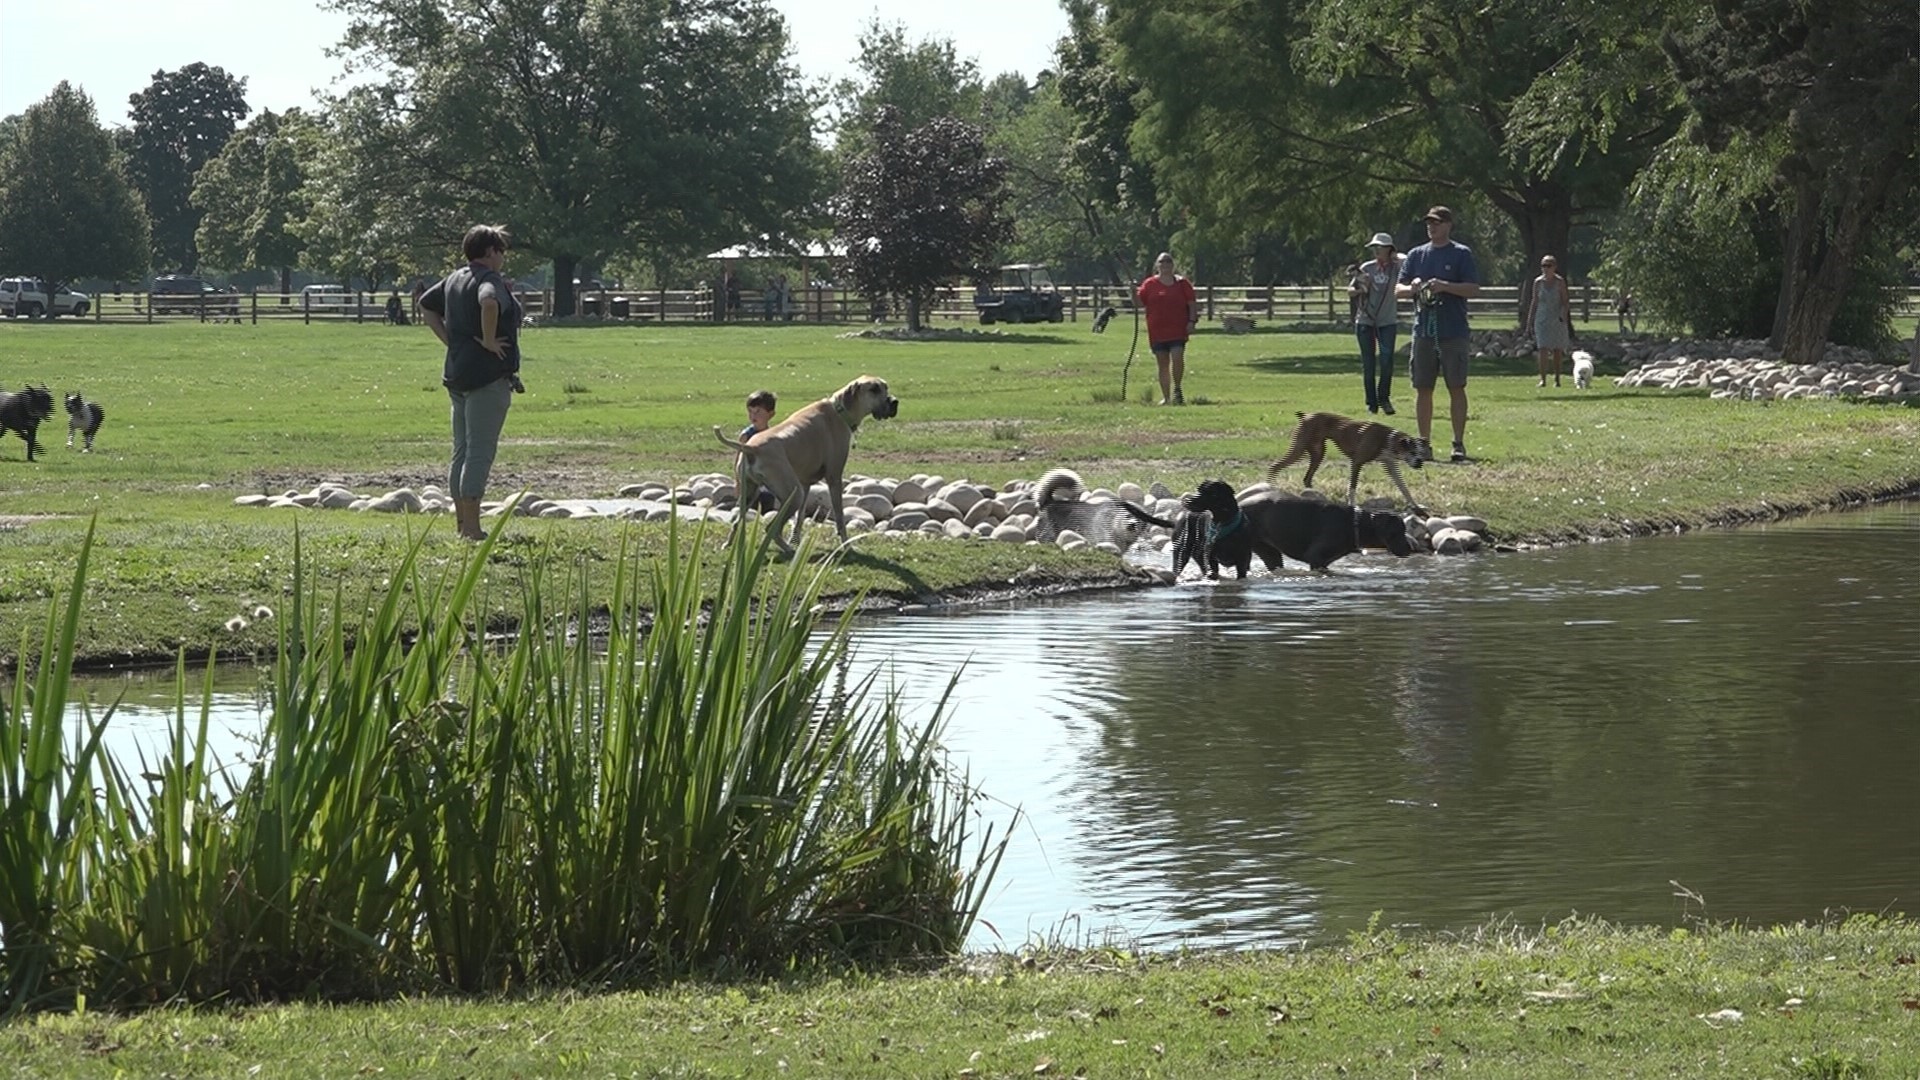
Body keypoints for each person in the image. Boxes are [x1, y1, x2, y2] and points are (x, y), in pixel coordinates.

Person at [419, 224, 524, 541]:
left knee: (461, 450)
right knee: (480, 450)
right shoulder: (488, 279)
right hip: (487, 377)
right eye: (501, 251)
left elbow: (426, 305)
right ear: (490, 251)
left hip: (457, 373)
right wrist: (489, 340)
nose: (503, 258)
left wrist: (451, 340)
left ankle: (461, 523)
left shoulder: (454, 278)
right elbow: (489, 303)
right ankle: (473, 528)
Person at [1396, 206, 1480, 463]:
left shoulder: (1461, 254)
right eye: (1429, 223)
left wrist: (1445, 286)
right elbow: (1398, 289)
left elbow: (1472, 289)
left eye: (1437, 223)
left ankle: (1458, 443)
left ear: (1448, 225)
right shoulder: (1416, 255)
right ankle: (1424, 444)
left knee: (1456, 386)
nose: (1432, 227)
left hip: (1453, 331)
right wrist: (1412, 288)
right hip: (1424, 331)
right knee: (1423, 388)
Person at [1136, 251, 1199, 405]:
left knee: (1177, 357)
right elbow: (1139, 303)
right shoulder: (1149, 284)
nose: (1165, 265)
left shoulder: (1182, 283)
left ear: (1173, 265)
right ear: (1157, 265)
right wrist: (1132, 292)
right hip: (1157, 330)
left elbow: (1192, 304)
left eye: (1168, 261)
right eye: (1162, 262)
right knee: (1163, 363)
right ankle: (1167, 397)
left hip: (1178, 329)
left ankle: (1177, 388)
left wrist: (1191, 321)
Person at [1352, 233, 1404, 415]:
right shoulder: (1367, 268)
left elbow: (1408, 261)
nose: (1376, 250)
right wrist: (1361, 288)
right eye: (1374, 247)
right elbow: (1351, 290)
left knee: (1387, 360)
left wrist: (1395, 257)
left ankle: (1384, 399)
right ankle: (1371, 403)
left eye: (1380, 247)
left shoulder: (1397, 268)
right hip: (1365, 320)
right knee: (1368, 364)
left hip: (1387, 322)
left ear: (1389, 249)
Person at [1527, 255, 1574, 388]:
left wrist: (1563, 316)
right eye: (1543, 265)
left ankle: (1557, 379)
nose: (1546, 268)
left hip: (1557, 319)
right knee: (1542, 348)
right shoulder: (1538, 282)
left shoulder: (1560, 282)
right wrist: (1529, 321)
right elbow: (1534, 302)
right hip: (1542, 319)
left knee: (1557, 350)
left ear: (1554, 267)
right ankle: (1543, 379)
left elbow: (1565, 301)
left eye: (1548, 265)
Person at [739, 389, 779, 512]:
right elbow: (739, 460)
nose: (753, 416)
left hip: (767, 477)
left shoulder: (772, 436)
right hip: (750, 477)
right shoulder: (746, 436)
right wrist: (738, 481)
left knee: (767, 499)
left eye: (757, 412)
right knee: (748, 501)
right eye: (750, 411)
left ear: (771, 414)